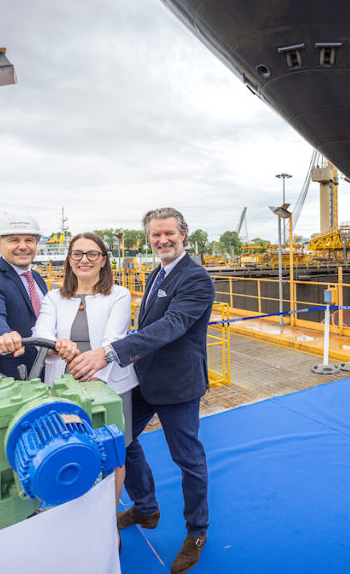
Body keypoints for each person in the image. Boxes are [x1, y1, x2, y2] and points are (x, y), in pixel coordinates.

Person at [104, 207, 215, 574]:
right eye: (156, 235)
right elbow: (146, 324)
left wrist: (112, 352)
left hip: (178, 385)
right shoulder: (157, 273)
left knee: (188, 459)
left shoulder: (196, 278)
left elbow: (173, 324)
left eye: (169, 233)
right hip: (144, 379)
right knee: (124, 437)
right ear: (148, 238)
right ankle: (146, 507)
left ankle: (196, 532)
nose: (162, 240)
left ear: (184, 234)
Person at [0, 232, 137, 502]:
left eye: (93, 254)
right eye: (77, 254)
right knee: (66, 451)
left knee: (114, 454)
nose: (85, 260)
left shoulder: (119, 294)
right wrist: (56, 345)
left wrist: (95, 376)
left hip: (110, 388)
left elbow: (113, 339)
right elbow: (42, 332)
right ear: (69, 261)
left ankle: (109, 518)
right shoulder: (54, 298)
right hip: (62, 389)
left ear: (104, 260)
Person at [0, 212, 47, 379]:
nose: (23, 246)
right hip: (15, 372)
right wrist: (2, 335)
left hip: (46, 366)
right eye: (14, 240)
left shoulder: (37, 278)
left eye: (29, 240)